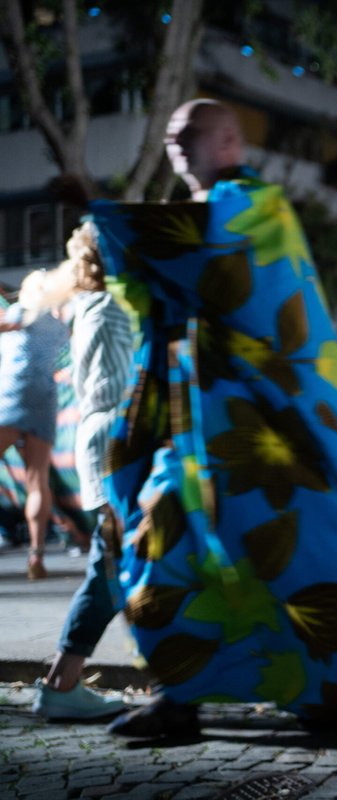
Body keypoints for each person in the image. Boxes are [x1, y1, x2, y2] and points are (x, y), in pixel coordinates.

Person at [81, 98, 337, 737]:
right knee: (162, 543)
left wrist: (96, 203)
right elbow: (168, 270)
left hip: (270, 437)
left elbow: (207, 253)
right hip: (197, 435)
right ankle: (181, 695)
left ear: (224, 139)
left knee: (300, 559)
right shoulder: (204, 215)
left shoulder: (257, 209)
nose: (170, 143)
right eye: (168, 135)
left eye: (181, 134)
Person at [28, 224, 134, 719]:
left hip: (99, 441)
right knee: (111, 564)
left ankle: (62, 677)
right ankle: (63, 680)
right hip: (113, 442)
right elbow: (117, 387)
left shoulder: (88, 310)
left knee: (115, 561)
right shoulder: (109, 312)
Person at [0, 270, 70, 579]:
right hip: (44, 400)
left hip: (11, 397)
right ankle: (36, 557)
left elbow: (8, 324)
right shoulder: (58, 325)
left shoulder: (22, 311)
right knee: (37, 479)